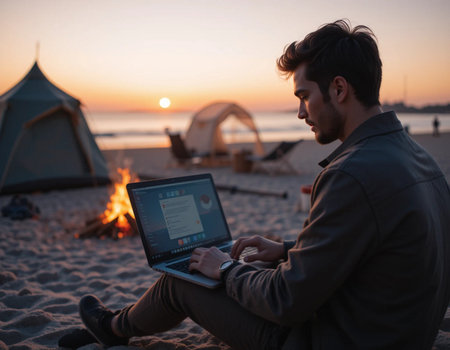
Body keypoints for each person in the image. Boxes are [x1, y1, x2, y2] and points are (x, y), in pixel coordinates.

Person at [75, 20, 450, 349]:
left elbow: (287, 302)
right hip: (398, 331)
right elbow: (376, 245)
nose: (301, 112)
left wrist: (224, 269)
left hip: (336, 338)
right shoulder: (417, 156)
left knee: (185, 280)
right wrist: (287, 250)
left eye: (304, 96)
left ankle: (111, 328)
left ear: (339, 89)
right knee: (248, 270)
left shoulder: (350, 175)